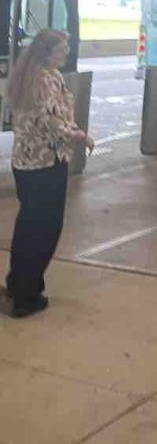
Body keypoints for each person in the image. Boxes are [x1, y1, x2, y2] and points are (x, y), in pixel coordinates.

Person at [3, 30, 94, 318]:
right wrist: (79, 136)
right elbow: (50, 120)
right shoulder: (46, 79)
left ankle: (18, 284)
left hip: (25, 164)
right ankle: (27, 297)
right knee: (46, 229)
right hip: (46, 164)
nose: (66, 51)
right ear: (48, 51)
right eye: (62, 47)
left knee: (28, 227)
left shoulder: (27, 75)